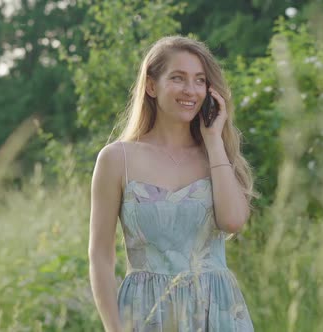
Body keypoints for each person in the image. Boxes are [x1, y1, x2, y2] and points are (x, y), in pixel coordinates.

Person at [88, 35, 258, 331]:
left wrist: (214, 140)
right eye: (178, 78)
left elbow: (232, 221)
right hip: (146, 311)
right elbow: (100, 255)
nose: (190, 90)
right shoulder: (117, 159)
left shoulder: (215, 155)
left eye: (199, 80)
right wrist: (114, 328)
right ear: (151, 86)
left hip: (216, 311)